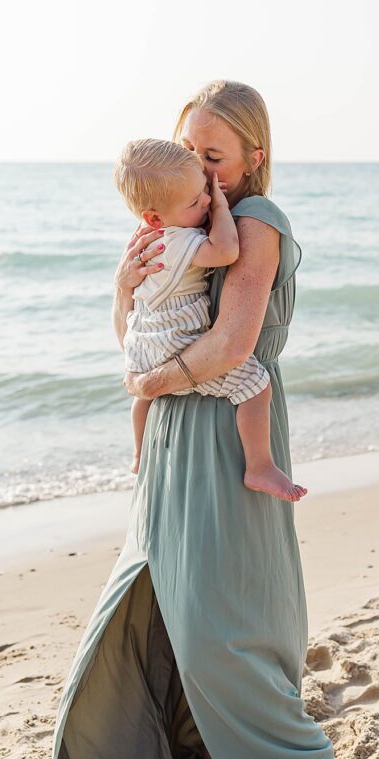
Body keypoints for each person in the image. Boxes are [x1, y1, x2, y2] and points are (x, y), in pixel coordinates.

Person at [51, 79, 342, 759]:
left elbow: (233, 345)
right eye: (189, 149)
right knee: (160, 589)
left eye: (214, 154)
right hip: (174, 425)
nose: (201, 168)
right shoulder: (177, 224)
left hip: (225, 427)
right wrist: (122, 289)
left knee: (225, 604)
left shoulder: (256, 222)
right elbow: (136, 336)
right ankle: (185, 744)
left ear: (255, 155)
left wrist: (153, 382)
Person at [115, 137, 307, 503]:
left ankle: (139, 453)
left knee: (142, 397)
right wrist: (218, 206)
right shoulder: (180, 239)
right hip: (178, 340)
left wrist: (122, 287)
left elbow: (127, 328)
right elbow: (227, 251)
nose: (205, 196)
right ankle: (259, 466)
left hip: (144, 344)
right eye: (195, 200)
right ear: (154, 217)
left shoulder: (150, 238)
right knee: (256, 386)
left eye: (212, 156)